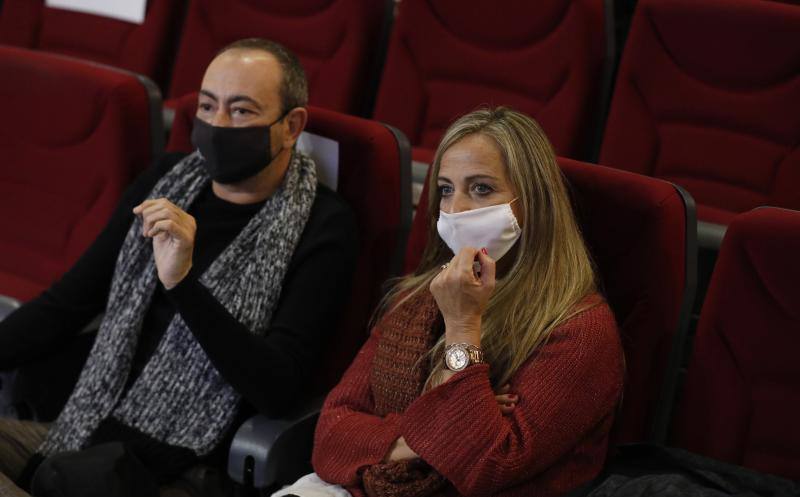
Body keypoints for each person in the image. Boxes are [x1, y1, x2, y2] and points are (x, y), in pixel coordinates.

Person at [0, 38, 357, 496]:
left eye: (242, 111)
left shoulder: (325, 226)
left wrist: (183, 282)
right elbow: (67, 303)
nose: (218, 125)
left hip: (181, 466)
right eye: (208, 107)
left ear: (291, 126)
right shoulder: (168, 179)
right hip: (85, 428)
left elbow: (276, 386)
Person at [275, 107, 624, 497]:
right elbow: (332, 432)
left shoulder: (580, 330)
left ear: (534, 202)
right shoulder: (418, 294)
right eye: (445, 189)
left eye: (481, 189)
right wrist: (435, 436)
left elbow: (486, 466)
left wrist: (462, 328)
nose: (455, 210)